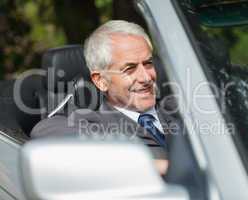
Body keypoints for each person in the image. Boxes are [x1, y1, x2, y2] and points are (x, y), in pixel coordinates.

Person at [31, 20, 181, 174]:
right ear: (101, 81)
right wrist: (152, 166)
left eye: (148, 63)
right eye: (129, 68)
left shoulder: (177, 107)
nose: (146, 77)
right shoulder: (96, 122)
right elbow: (44, 130)